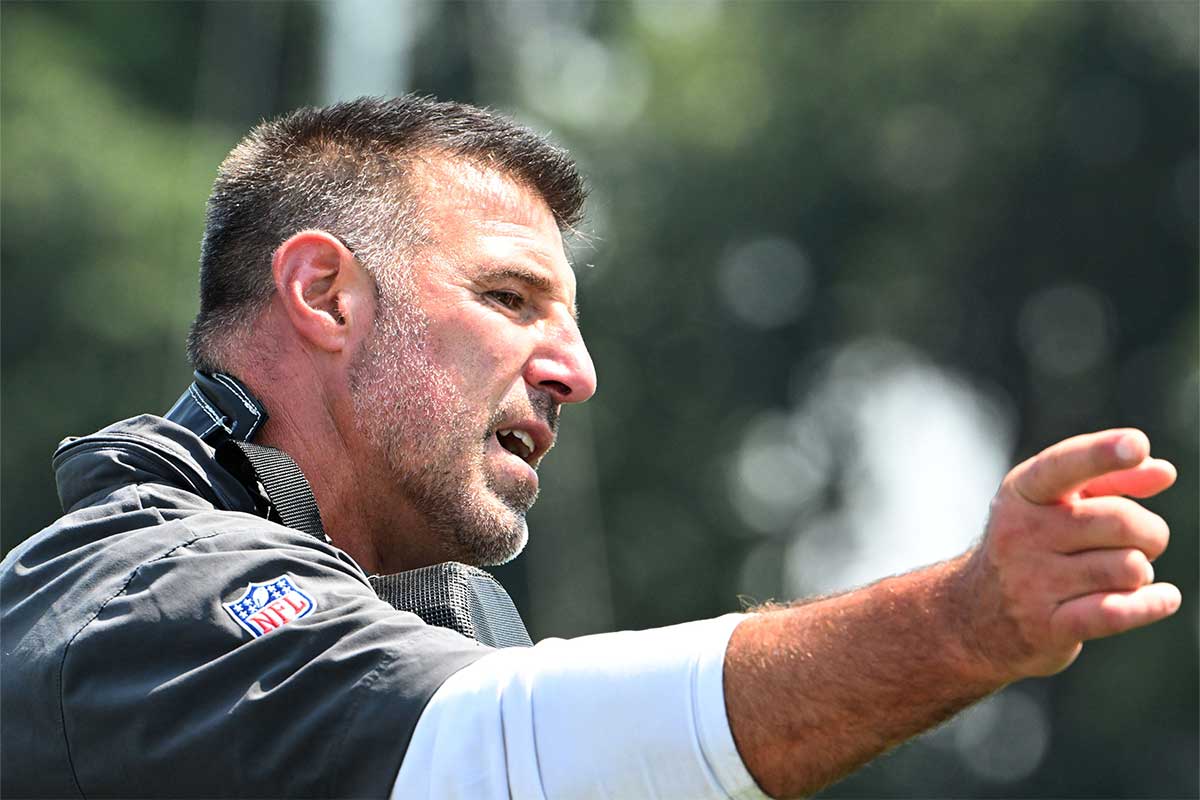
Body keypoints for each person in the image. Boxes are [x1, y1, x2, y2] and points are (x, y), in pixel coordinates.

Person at [0, 96, 1180, 800]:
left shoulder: (439, 611)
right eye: (511, 298)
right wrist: (958, 626)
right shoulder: (142, 599)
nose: (577, 369)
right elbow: (497, 741)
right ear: (325, 292)